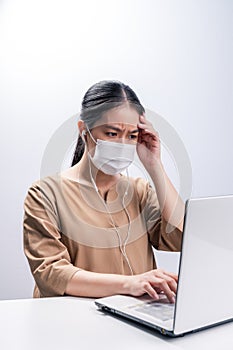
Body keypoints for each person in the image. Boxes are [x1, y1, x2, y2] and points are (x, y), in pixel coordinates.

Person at [23, 80, 184, 302]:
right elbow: (51, 274)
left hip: (137, 321)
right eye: (111, 133)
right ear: (84, 130)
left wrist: (155, 166)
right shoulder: (45, 194)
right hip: (74, 322)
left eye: (131, 136)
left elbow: (180, 237)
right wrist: (130, 283)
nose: (122, 143)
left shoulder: (140, 191)